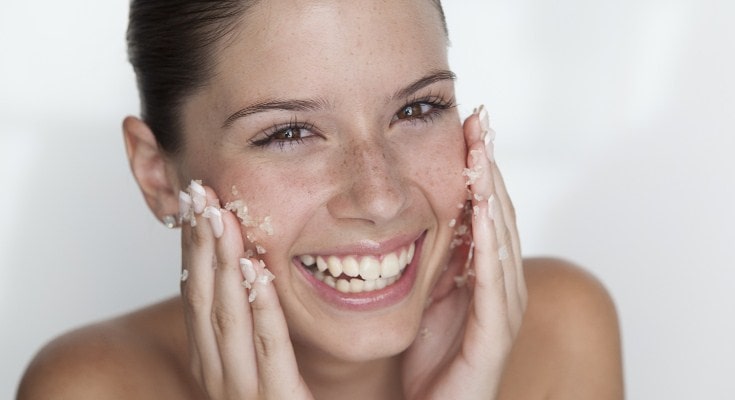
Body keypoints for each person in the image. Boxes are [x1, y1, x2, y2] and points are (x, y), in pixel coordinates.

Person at [17, 0, 623, 398]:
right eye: (288, 133)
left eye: (417, 109)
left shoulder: (560, 334)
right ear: (156, 173)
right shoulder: (93, 388)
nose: (380, 196)